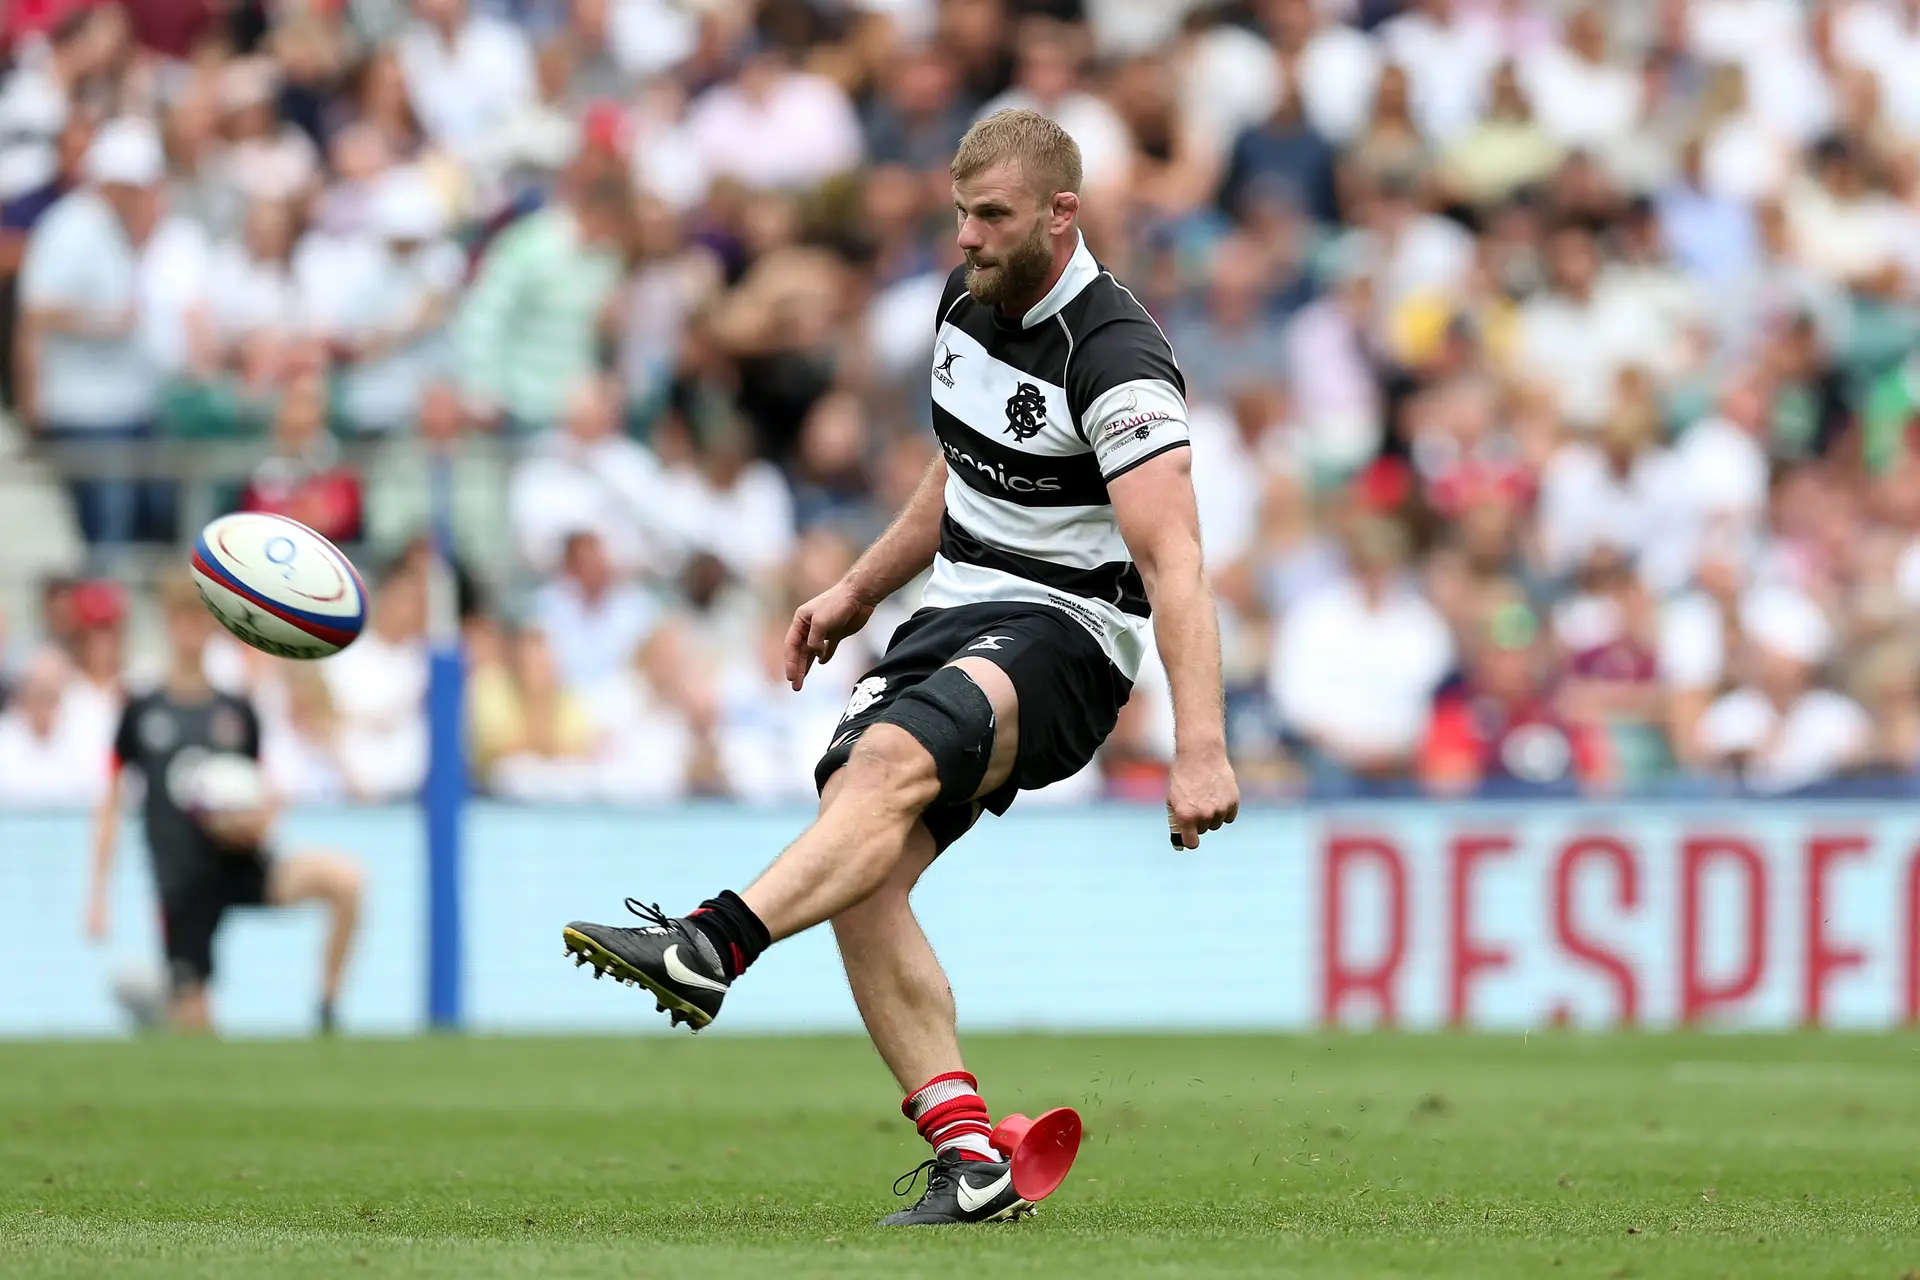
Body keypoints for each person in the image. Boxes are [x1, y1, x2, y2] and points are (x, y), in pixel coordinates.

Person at [563, 110, 1239, 1225]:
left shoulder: (1119, 359)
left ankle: (709, 941)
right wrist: (856, 589)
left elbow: (1176, 560)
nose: (966, 236)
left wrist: (1200, 742)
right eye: (960, 212)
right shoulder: (962, 302)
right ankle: (970, 1154)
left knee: (882, 767)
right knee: (859, 859)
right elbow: (958, 466)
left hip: (1069, 635)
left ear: (1061, 215)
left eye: (992, 216)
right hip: (949, 613)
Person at [83, 572, 365, 1034]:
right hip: (183, 879)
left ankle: (327, 1012)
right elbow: (111, 800)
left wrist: (256, 824)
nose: (192, 630)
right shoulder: (142, 709)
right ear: (169, 625)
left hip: (239, 860)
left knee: (348, 881)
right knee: (195, 1020)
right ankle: (168, 1020)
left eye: (201, 619)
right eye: (183, 619)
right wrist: (97, 896)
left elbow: (262, 790)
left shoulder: (237, 709)